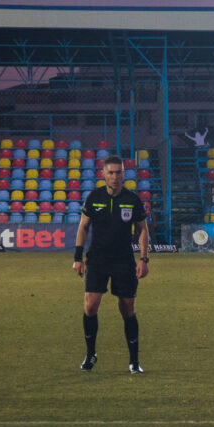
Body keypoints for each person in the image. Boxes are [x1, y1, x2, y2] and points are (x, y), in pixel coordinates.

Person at [73, 156, 150, 373]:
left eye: (119, 172)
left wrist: (144, 259)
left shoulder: (132, 199)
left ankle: (134, 361)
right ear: (104, 174)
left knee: (127, 309)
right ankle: (90, 354)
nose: (115, 177)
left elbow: (142, 230)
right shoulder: (94, 197)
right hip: (97, 259)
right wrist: (78, 258)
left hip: (123, 260)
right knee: (90, 306)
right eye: (111, 173)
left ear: (124, 174)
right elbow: (83, 227)